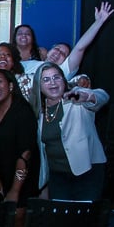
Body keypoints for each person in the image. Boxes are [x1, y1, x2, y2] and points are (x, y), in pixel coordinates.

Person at [31, 62, 108, 201]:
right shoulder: (38, 112)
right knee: (60, 214)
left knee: (84, 214)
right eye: (46, 79)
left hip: (87, 171)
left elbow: (103, 96)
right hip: (57, 176)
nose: (52, 82)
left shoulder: (76, 97)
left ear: (63, 80)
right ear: (39, 86)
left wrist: (87, 97)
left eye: (56, 77)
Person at [0, 69, 39, 227]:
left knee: (16, 221)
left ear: (11, 86)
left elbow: (25, 155)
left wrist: (15, 191)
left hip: (21, 178)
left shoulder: (23, 112)